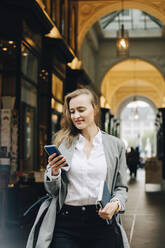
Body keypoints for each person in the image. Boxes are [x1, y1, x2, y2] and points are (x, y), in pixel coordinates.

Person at [26, 88, 129, 248]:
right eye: (72, 111)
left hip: (102, 223)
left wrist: (115, 205)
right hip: (66, 222)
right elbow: (52, 191)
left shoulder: (115, 145)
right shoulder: (62, 142)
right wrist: (53, 172)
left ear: (95, 109)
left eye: (81, 110)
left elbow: (121, 187)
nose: (75, 116)